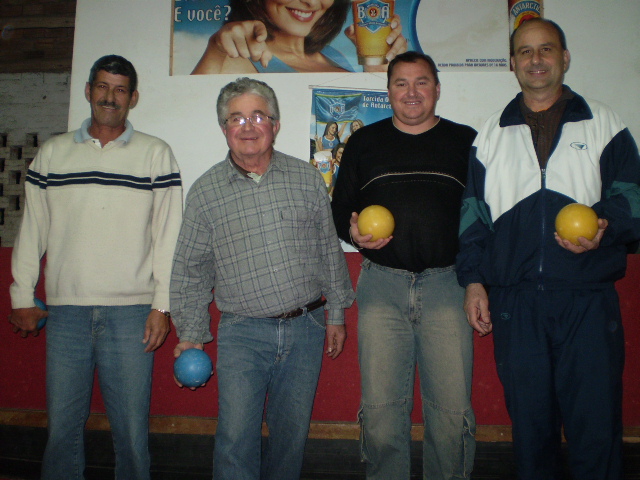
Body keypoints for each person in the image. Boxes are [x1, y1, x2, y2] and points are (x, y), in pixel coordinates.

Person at [456, 18, 640, 479]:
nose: (536, 60)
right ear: (512, 63)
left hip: (587, 298)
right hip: (516, 304)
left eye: (546, 50)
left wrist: (604, 225)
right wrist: (474, 280)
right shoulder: (490, 136)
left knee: (594, 424)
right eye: (526, 52)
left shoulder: (604, 122)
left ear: (564, 58)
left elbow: (632, 197)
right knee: (531, 427)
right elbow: (472, 217)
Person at [170, 77, 355, 480]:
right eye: (236, 118)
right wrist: (191, 333)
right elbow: (190, 269)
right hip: (243, 333)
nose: (248, 126)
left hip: (306, 328)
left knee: (290, 437)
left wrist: (337, 314)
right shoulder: (205, 193)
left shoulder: (306, 179)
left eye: (257, 116)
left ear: (275, 123)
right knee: (236, 439)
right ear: (224, 129)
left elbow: (328, 249)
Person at [8, 55, 183, 479]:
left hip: (132, 315)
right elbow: (32, 230)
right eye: (102, 87)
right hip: (65, 312)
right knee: (62, 431)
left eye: (120, 89)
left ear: (133, 98)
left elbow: (169, 238)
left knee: (130, 433)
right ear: (88, 91)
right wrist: (20, 295)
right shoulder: (52, 154)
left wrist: (163, 306)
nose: (110, 97)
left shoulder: (155, 155)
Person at [331, 51, 478, 480]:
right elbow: (340, 211)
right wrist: (353, 233)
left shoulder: (465, 141)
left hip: (448, 286)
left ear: (436, 88)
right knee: (380, 410)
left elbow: (482, 217)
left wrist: (478, 281)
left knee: (451, 409)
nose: (411, 92)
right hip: (381, 287)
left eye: (422, 82)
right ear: (389, 91)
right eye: (400, 83)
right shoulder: (363, 143)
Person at [191, 0, 406, 74]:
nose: (312, 3)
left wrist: (378, 72)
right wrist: (215, 53)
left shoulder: (332, 55)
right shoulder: (235, 61)